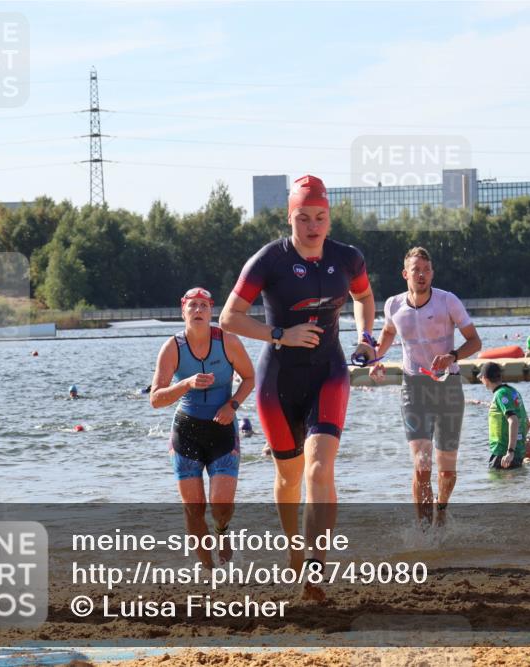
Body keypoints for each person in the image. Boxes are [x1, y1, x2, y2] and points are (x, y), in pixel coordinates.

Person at [220, 174, 376, 600]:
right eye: (303, 217)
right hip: (278, 380)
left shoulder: (348, 258)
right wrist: (280, 335)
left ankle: (315, 564)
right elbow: (229, 318)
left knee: (319, 469)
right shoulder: (269, 260)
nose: (312, 226)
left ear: (330, 218)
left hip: (329, 371)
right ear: (290, 218)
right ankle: (294, 549)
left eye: (320, 217)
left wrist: (366, 337)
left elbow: (364, 298)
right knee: (289, 478)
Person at [369, 247, 481, 525]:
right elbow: (387, 334)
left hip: (448, 387)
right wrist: (375, 360)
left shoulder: (447, 301)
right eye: (416, 270)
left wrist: (452, 356)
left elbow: (475, 341)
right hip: (413, 388)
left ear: (432, 274)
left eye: (427, 270)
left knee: (446, 472)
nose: (422, 275)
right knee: (422, 466)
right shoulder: (394, 305)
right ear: (405, 274)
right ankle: (422, 532)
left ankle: (441, 512)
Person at [150, 287, 255, 568]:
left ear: (211, 312)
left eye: (204, 306)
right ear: (183, 310)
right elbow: (156, 399)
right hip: (186, 432)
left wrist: (232, 405)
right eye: (193, 305)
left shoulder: (228, 341)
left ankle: (222, 531)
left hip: (222, 428)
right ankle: (208, 571)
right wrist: (186, 384)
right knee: (193, 509)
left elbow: (249, 378)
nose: (198, 310)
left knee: (221, 506)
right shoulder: (172, 347)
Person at [478, 362, 530, 470]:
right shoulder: (514, 392)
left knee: (496, 480)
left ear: (485, 378)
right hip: (517, 453)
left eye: (481, 378)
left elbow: (513, 420)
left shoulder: (500, 394)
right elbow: (527, 424)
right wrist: (518, 443)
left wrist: (510, 451)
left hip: (502, 454)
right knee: (515, 480)